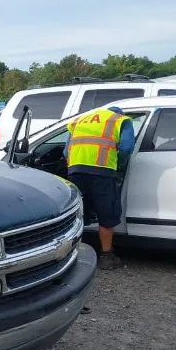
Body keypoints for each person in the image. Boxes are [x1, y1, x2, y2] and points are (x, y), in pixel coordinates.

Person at [63, 105, 135, 270]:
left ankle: (75, 252)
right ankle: (107, 255)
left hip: (75, 171)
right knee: (106, 213)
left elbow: (65, 152)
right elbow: (126, 148)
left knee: (78, 213)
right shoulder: (121, 121)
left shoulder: (78, 121)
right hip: (103, 173)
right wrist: (119, 166)